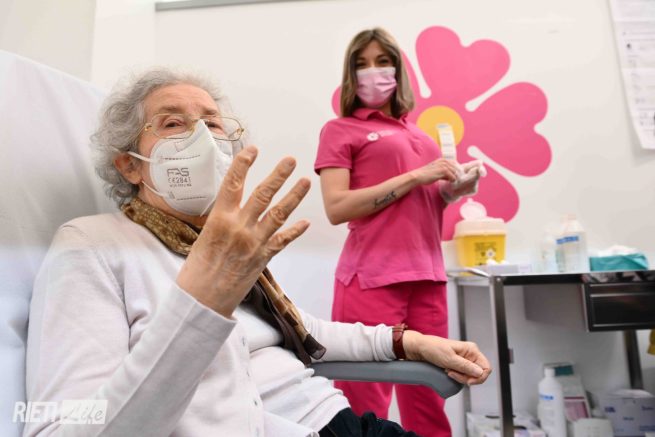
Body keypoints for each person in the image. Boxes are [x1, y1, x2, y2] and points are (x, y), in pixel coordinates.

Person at [24, 68, 491, 437]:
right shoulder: (93, 246)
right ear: (129, 164)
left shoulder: (224, 243)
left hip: (335, 418)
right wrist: (204, 300)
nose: (202, 139)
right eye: (173, 124)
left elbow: (303, 330)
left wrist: (409, 342)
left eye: (212, 124)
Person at [315, 28, 486, 436]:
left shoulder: (420, 136)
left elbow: (421, 203)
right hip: (372, 278)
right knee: (364, 400)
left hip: (427, 276)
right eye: (361, 64)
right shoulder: (341, 130)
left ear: (398, 69)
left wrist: (453, 190)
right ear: (350, 75)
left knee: (431, 395)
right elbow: (337, 208)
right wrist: (415, 176)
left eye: (382, 61)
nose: (372, 71)